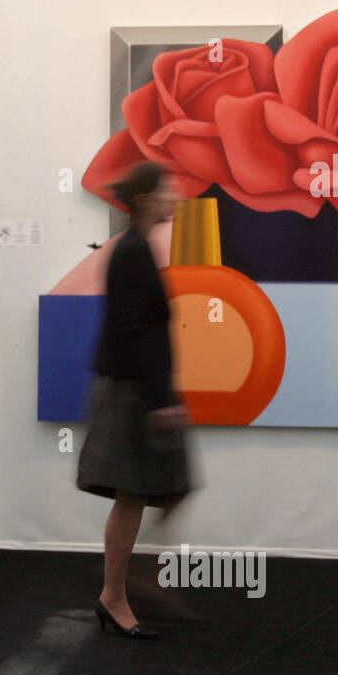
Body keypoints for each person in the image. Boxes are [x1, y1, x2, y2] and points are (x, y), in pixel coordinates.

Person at [77, 161, 196, 639]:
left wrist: (164, 394)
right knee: (133, 496)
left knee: (172, 484)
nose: (176, 196)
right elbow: (134, 333)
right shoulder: (129, 253)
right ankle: (116, 593)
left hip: (142, 389)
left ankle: (133, 577)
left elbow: (146, 331)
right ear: (146, 199)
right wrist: (158, 400)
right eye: (168, 189)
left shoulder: (138, 249)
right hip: (130, 391)